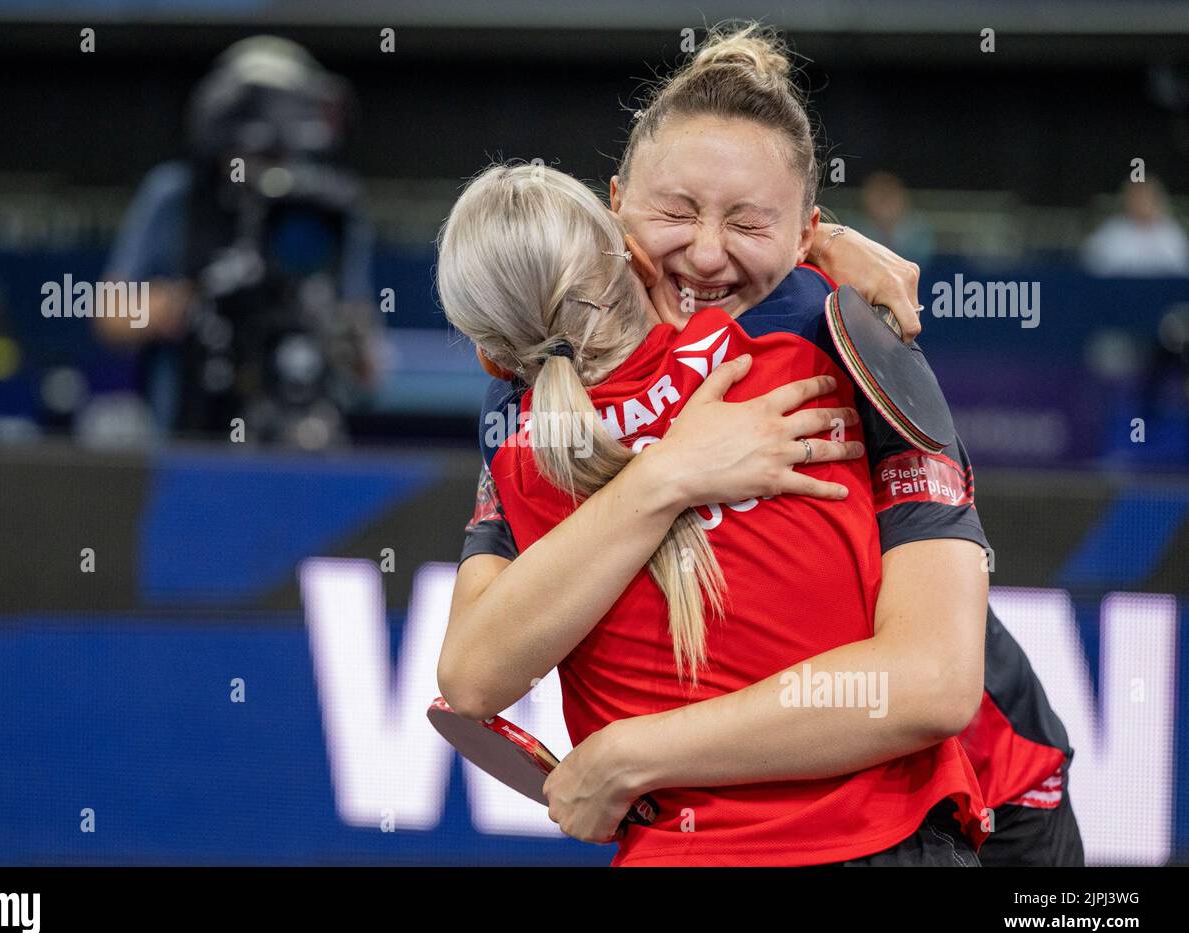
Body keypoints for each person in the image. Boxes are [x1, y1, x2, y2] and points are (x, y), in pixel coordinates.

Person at [441, 23, 1081, 866]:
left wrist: (633, 754)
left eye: (750, 224)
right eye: (672, 212)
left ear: (804, 232)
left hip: (991, 802)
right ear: (614, 208)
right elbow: (475, 675)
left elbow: (931, 684)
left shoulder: (849, 339)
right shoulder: (536, 388)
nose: (705, 254)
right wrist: (668, 475)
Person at [94, 35, 380, 444]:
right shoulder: (175, 194)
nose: (265, 169)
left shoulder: (327, 207)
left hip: (302, 435)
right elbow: (111, 315)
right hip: (188, 432)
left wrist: (335, 329)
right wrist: (194, 301)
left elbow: (366, 363)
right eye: (255, 152)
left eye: (280, 154)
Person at [1082, 178, 1189, 277]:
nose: (1141, 202)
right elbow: (1093, 265)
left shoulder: (1171, 231)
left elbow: (1180, 266)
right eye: (1136, 197)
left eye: (1145, 197)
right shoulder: (1112, 231)